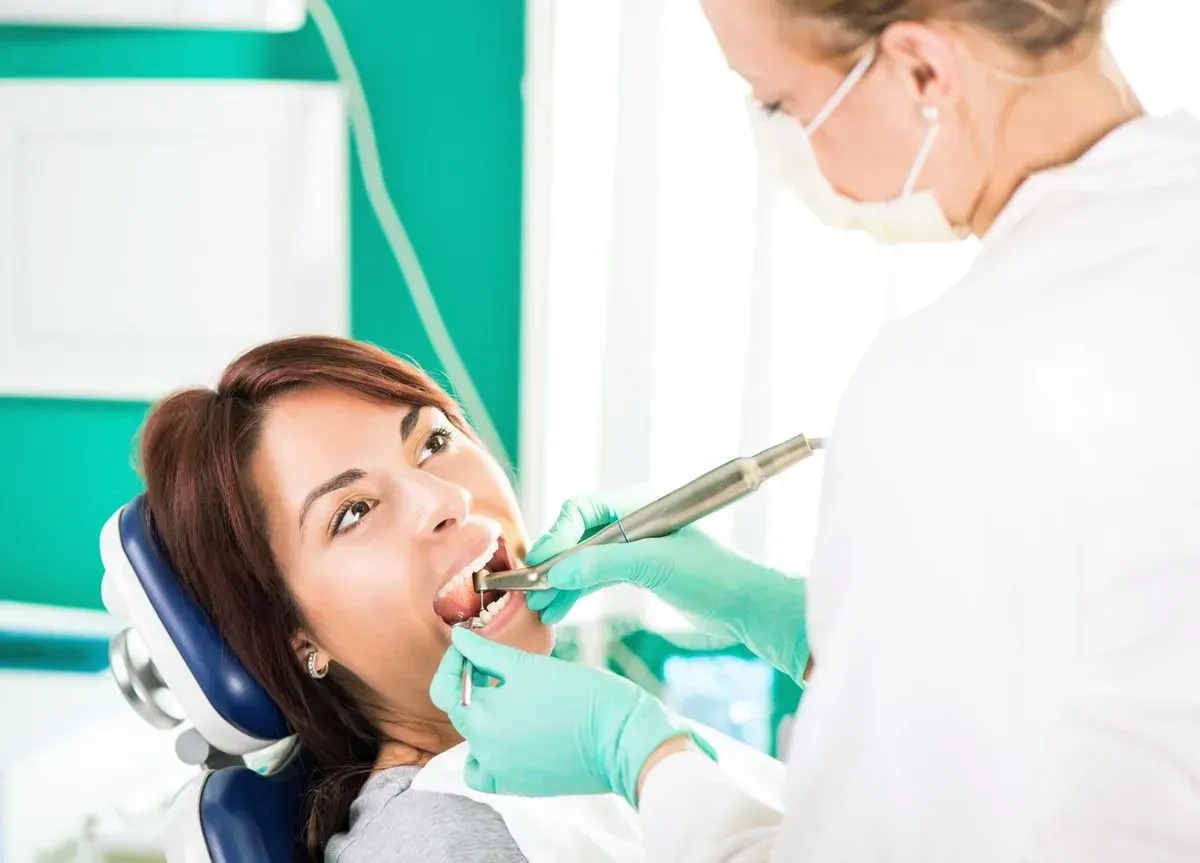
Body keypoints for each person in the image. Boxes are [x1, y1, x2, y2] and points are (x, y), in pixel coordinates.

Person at [431, 0, 1200, 860]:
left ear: (921, 70)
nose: (778, 143)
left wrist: (643, 755)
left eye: (778, 103)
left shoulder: (968, 371)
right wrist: (808, 627)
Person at [140, 336, 556, 862]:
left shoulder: (556, 760)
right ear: (298, 637)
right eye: (354, 511)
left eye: (432, 443)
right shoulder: (440, 841)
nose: (449, 499)